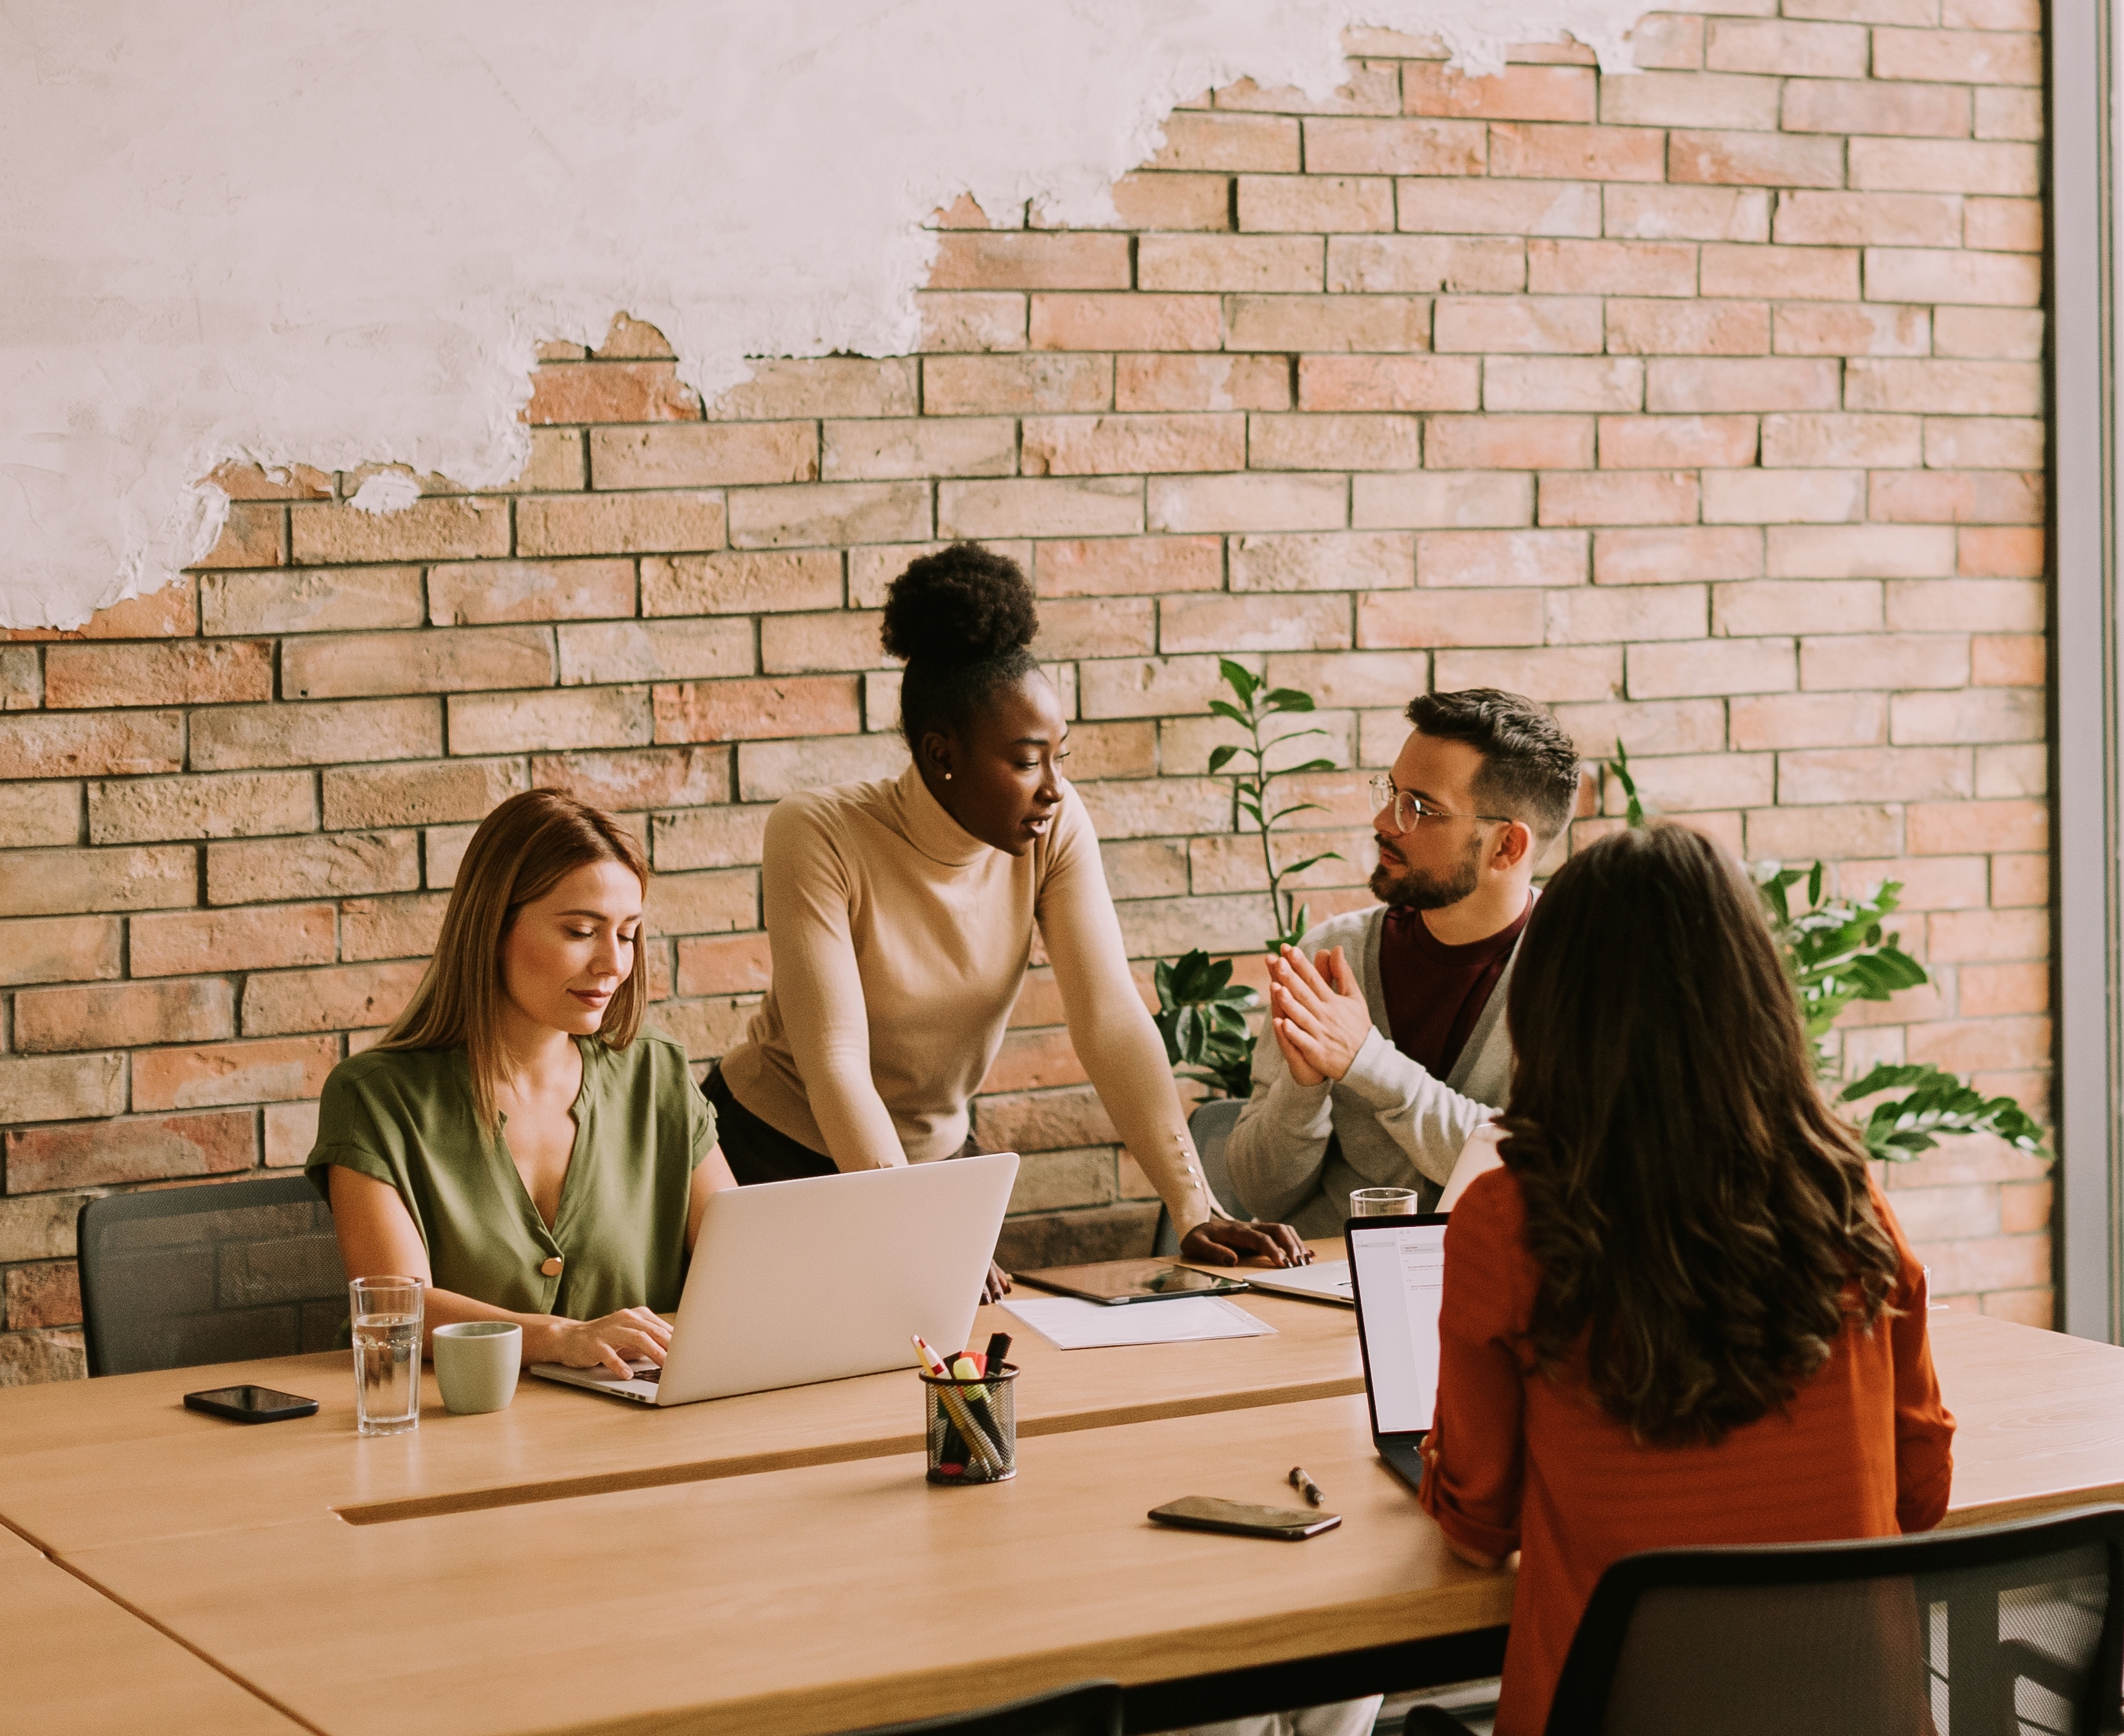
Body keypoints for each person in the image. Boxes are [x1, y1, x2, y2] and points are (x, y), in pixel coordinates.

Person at [1415, 823, 1956, 1736]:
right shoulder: (1846, 1194)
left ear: (1553, 1008)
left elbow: (1477, 1536)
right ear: (1754, 998)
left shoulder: (1510, 1221)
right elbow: (1921, 1494)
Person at [705, 542, 1300, 1269]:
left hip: (932, 1162)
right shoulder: (818, 833)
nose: (1052, 785)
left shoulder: (1054, 825)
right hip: (774, 1151)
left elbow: (1110, 1018)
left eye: (1061, 756)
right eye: (1025, 761)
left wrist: (1195, 1204)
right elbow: (835, 1062)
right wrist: (918, 1228)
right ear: (940, 754)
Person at [313, 790, 733, 1375]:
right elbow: (395, 1311)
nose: (613, 962)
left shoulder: (657, 1074)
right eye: (581, 931)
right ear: (494, 928)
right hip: (444, 1430)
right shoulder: (374, 1098)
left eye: (629, 933)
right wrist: (559, 1338)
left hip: (636, 1429)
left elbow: (746, 1267)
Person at [1225, 688, 1576, 1233]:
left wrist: (1366, 1063)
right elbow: (1262, 1197)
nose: (1386, 821)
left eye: (1421, 808)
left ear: (1507, 847)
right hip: (1329, 1308)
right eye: (1392, 793)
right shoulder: (1330, 960)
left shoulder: (1580, 976)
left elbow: (1543, 1182)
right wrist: (1304, 1090)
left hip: (1506, 1308)